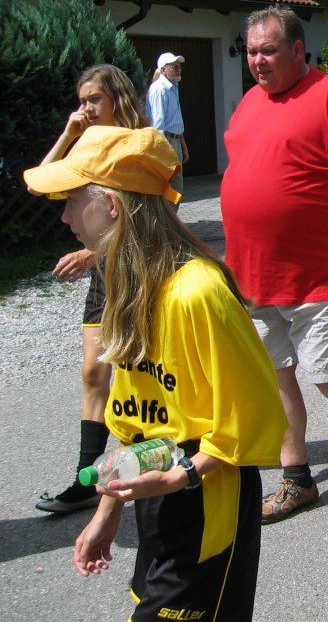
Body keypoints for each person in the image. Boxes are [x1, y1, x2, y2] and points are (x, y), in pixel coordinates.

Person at [24, 125, 286, 620]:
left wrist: (180, 476)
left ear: (113, 206)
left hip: (207, 497)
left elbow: (253, 417)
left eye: (73, 199)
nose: (62, 216)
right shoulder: (129, 285)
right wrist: (109, 510)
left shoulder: (197, 292)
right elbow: (134, 415)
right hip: (155, 491)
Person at [220, 6, 328, 526]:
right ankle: (296, 480)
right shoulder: (250, 102)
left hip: (320, 273)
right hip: (253, 276)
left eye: (268, 50)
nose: (257, 61)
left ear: (298, 50)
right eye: (251, 51)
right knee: (272, 377)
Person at [35, 64, 148, 514]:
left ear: (116, 99)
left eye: (93, 100)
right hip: (105, 276)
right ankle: (88, 478)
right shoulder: (83, 145)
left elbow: (145, 220)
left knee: (140, 375)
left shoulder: (140, 145)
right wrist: (68, 130)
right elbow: (46, 182)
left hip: (136, 271)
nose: (85, 108)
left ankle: (150, 464)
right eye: (81, 100)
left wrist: (93, 252)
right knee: (93, 372)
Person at [145, 53, 188, 202]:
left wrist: (183, 145)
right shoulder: (159, 90)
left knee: (176, 186)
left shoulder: (173, 87)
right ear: (163, 70)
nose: (178, 69)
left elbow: (176, 120)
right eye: (174, 67)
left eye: (179, 66)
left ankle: (170, 219)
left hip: (174, 140)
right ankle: (167, 221)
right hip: (166, 142)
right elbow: (158, 124)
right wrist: (163, 150)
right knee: (170, 185)